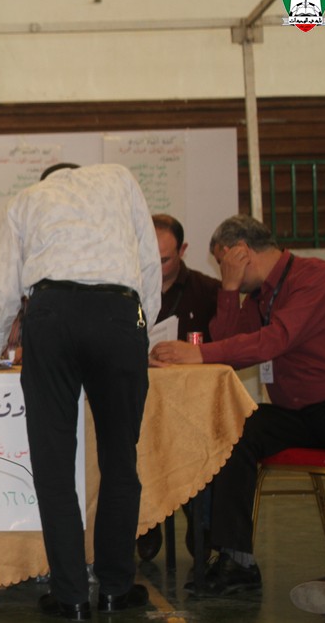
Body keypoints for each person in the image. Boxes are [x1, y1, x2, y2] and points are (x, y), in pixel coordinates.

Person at [0, 163, 161, 620]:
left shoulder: (25, 200)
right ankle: (116, 588)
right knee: (120, 462)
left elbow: (1, 286)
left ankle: (71, 596)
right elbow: (149, 264)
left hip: (52, 313)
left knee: (54, 467)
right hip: (118, 311)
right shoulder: (121, 178)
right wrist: (140, 333)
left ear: (48, 181)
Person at [150, 214, 325, 596]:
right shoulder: (257, 297)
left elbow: (276, 339)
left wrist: (199, 353)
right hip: (295, 413)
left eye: (223, 261)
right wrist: (229, 290)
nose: (222, 270)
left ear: (241, 252)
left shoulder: (315, 278)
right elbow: (229, 348)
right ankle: (236, 561)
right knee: (233, 432)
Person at [135, 213, 221, 562]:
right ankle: (146, 520)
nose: (155, 268)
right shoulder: (126, 290)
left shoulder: (207, 291)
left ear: (183, 250)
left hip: (190, 407)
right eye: (147, 258)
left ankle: (201, 522)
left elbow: (230, 344)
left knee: (204, 445)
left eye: (164, 260)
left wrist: (194, 353)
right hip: (141, 406)